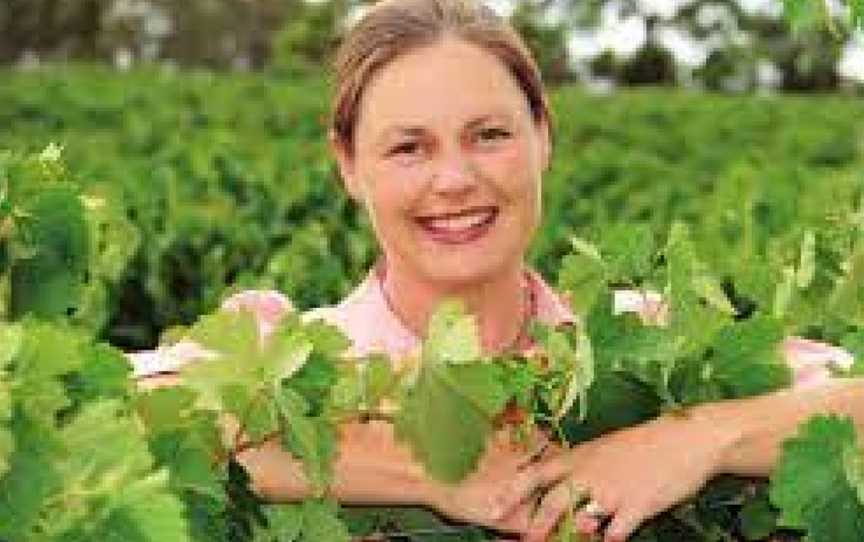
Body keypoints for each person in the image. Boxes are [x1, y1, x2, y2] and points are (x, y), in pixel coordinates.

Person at [133, 0, 864, 540]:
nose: (453, 180)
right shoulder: (289, 361)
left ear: (543, 135)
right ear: (348, 166)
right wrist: (431, 464)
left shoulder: (654, 346)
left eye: (488, 136)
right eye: (408, 148)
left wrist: (691, 438)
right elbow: (80, 418)